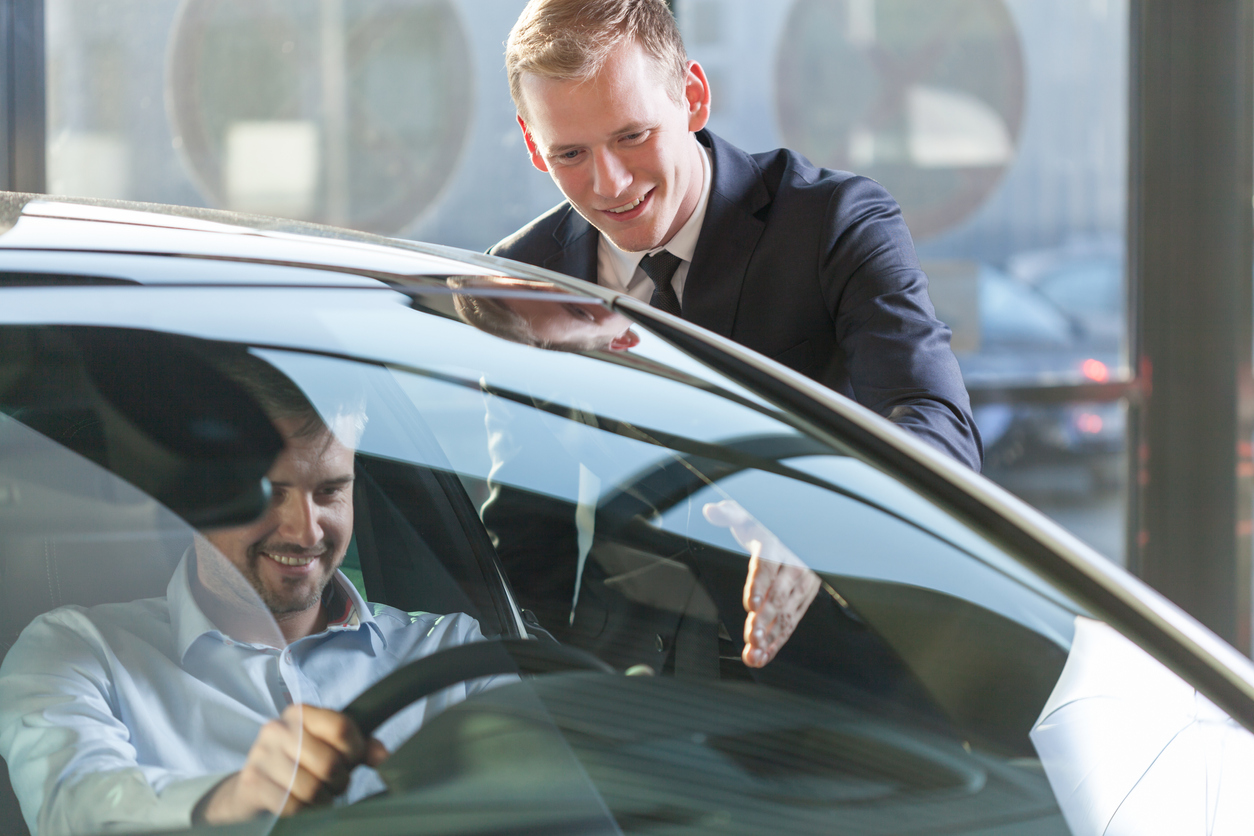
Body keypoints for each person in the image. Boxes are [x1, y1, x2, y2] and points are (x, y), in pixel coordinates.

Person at [0, 355, 502, 835]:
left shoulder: (453, 655)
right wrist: (237, 800)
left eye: (329, 491)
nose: (305, 532)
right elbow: (75, 808)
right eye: (269, 492)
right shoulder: (77, 653)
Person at [491, 0, 981, 472]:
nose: (611, 184)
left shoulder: (834, 223)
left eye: (632, 136)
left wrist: (817, 532)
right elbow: (523, 527)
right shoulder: (520, 278)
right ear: (535, 147)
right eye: (571, 154)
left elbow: (938, 431)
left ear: (694, 99)